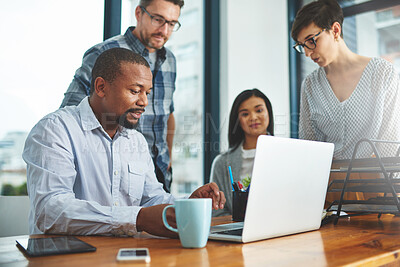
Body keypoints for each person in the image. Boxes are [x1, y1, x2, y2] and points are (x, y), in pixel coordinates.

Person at [23, 48, 225, 237]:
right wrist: (137, 219)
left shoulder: (136, 140)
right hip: (65, 257)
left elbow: (152, 198)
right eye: (135, 91)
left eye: (147, 92)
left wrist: (187, 205)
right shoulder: (55, 129)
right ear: (101, 87)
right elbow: (50, 210)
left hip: (123, 253)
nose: (144, 102)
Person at [60, 0, 184, 193]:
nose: (165, 30)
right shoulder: (104, 53)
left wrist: (168, 159)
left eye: (172, 23)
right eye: (158, 19)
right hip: (116, 173)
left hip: (159, 172)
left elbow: (168, 114)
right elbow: (71, 112)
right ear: (138, 13)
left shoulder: (171, 60)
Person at [291, 0, 400, 205]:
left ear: (335, 30)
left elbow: (388, 146)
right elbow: (309, 147)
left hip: (377, 187)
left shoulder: (383, 74)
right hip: (329, 190)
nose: (306, 52)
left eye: (311, 41)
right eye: (301, 46)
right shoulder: (311, 85)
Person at [210, 89, 274, 216]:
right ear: (238, 121)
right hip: (239, 232)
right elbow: (217, 212)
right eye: (245, 114)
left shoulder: (285, 154)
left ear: (269, 113)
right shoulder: (222, 163)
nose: (253, 117)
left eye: (259, 110)